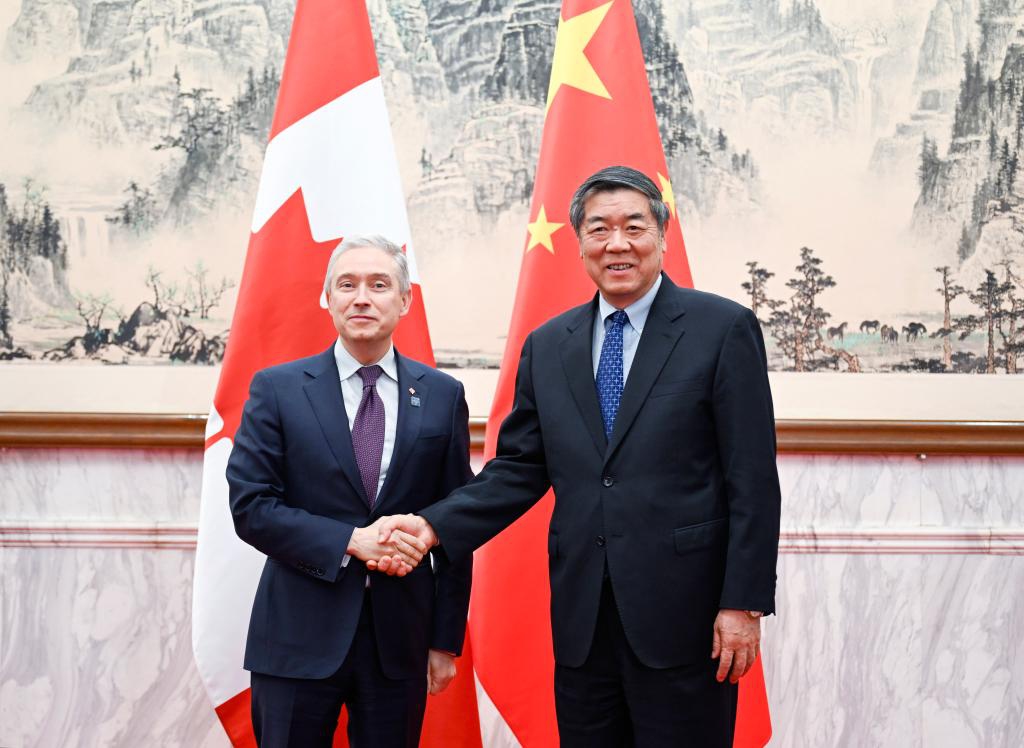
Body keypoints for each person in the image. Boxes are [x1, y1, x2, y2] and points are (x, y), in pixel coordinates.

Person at [373, 166, 781, 747]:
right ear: (580, 243)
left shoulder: (721, 329)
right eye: (599, 229)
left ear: (662, 236)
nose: (617, 244)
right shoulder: (548, 346)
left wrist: (743, 603)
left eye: (634, 227)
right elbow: (519, 469)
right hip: (583, 621)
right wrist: (432, 526)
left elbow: (752, 479)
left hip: (687, 618)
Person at [227, 235, 473, 748]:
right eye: (347, 285)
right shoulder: (277, 389)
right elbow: (252, 507)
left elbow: (456, 523)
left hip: (399, 640)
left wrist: (445, 640)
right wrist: (351, 541)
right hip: (296, 635)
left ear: (404, 300)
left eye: (379, 285)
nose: (362, 298)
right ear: (328, 298)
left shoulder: (442, 395)